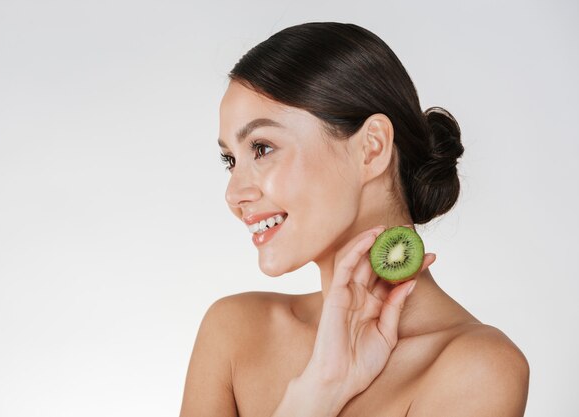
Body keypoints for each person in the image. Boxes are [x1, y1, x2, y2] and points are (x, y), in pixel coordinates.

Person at [179, 22, 529, 417]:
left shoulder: (476, 369)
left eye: (262, 148)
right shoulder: (234, 334)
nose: (234, 194)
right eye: (230, 160)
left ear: (372, 148)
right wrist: (317, 391)